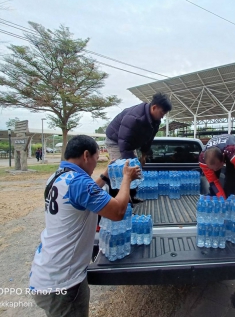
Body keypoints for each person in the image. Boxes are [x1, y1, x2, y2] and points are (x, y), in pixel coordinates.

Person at [29, 135, 140, 317]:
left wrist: (104, 176)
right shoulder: (80, 183)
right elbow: (118, 211)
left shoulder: (57, 177)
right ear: (86, 155)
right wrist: (127, 178)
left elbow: (84, 196)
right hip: (64, 283)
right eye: (96, 159)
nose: (96, 164)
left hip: (45, 272)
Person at [105, 92, 172, 201]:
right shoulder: (134, 118)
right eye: (162, 112)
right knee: (122, 170)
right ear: (154, 107)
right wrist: (130, 163)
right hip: (116, 141)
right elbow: (124, 141)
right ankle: (119, 202)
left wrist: (144, 155)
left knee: (136, 169)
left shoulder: (156, 121)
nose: (163, 115)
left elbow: (149, 139)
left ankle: (131, 196)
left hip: (130, 143)